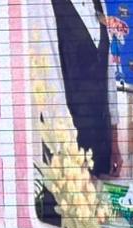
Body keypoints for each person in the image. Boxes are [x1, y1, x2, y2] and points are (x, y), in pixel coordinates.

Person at [49, 0, 121, 177]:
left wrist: (114, 142)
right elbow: (52, 85)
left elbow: (109, 75)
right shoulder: (51, 6)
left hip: (102, 142)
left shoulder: (99, 4)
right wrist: (67, 150)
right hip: (73, 145)